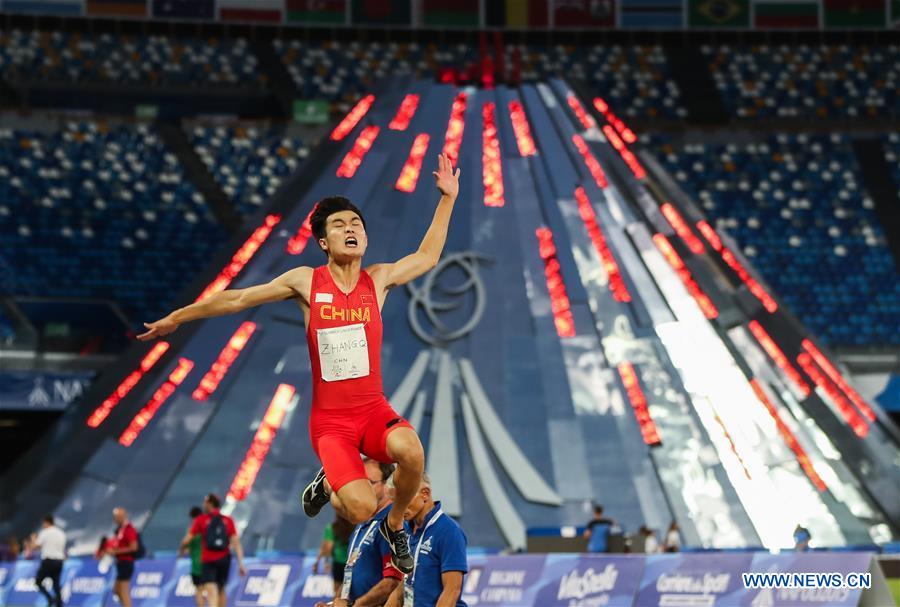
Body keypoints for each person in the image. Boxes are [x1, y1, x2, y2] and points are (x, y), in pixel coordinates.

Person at [139, 155, 462, 574]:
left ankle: (396, 525)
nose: (351, 229)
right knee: (362, 508)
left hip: (372, 410)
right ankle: (329, 483)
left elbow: (427, 256)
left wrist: (447, 200)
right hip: (332, 423)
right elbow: (236, 298)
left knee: (413, 454)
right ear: (324, 242)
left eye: (356, 224)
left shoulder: (377, 279)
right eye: (340, 226)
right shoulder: (306, 282)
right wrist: (177, 317)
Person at [318, 459, 401, 607]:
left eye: (370, 482)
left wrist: (356, 605)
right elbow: (351, 575)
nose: (363, 489)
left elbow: (392, 583)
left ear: (387, 486)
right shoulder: (363, 522)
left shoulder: (392, 523)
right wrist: (334, 603)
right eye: (360, 483)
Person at [387, 473, 467, 607]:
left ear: (425, 494)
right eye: (395, 502)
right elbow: (405, 581)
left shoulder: (449, 531)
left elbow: (452, 591)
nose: (398, 508)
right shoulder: (405, 530)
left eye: (403, 500)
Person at [180, 493, 247, 607]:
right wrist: (241, 563)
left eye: (205, 502)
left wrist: (181, 550)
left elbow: (186, 540)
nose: (203, 505)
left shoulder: (202, 520)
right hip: (224, 558)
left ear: (209, 504)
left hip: (208, 559)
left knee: (210, 587)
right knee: (221, 588)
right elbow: (236, 542)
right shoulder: (228, 520)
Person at [98, 508, 140, 607]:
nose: (116, 519)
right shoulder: (120, 530)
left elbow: (134, 547)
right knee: (116, 590)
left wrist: (115, 551)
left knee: (123, 590)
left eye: (118, 517)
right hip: (121, 563)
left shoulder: (129, 529)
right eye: (115, 517)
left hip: (126, 562)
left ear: (123, 516)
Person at [29, 515, 66, 607]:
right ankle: (59, 603)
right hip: (59, 561)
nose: (43, 525)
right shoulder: (61, 533)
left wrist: (33, 538)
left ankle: (50, 599)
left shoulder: (45, 532)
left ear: (47, 522)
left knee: (38, 581)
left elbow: (35, 547)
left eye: (43, 523)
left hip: (48, 560)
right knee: (56, 584)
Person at [313, 515, 354, 599]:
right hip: (352, 563)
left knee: (337, 593)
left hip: (338, 564)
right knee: (352, 593)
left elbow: (327, 547)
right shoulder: (356, 525)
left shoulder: (332, 527)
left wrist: (323, 562)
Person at [177, 506, 205, 607]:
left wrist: (180, 552)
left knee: (199, 591)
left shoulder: (193, 530)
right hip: (210, 563)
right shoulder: (208, 527)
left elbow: (185, 543)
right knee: (212, 590)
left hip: (197, 565)